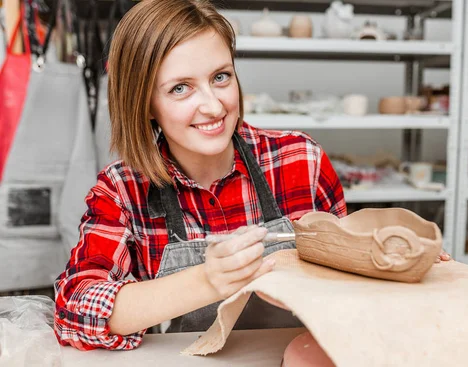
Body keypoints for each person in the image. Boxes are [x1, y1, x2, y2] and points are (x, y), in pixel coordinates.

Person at [53, 0, 448, 351]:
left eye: (221, 77)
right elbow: (75, 308)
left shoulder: (299, 160)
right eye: (180, 89)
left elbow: (347, 276)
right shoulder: (123, 190)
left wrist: (394, 265)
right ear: (145, 104)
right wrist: (208, 281)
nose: (212, 105)